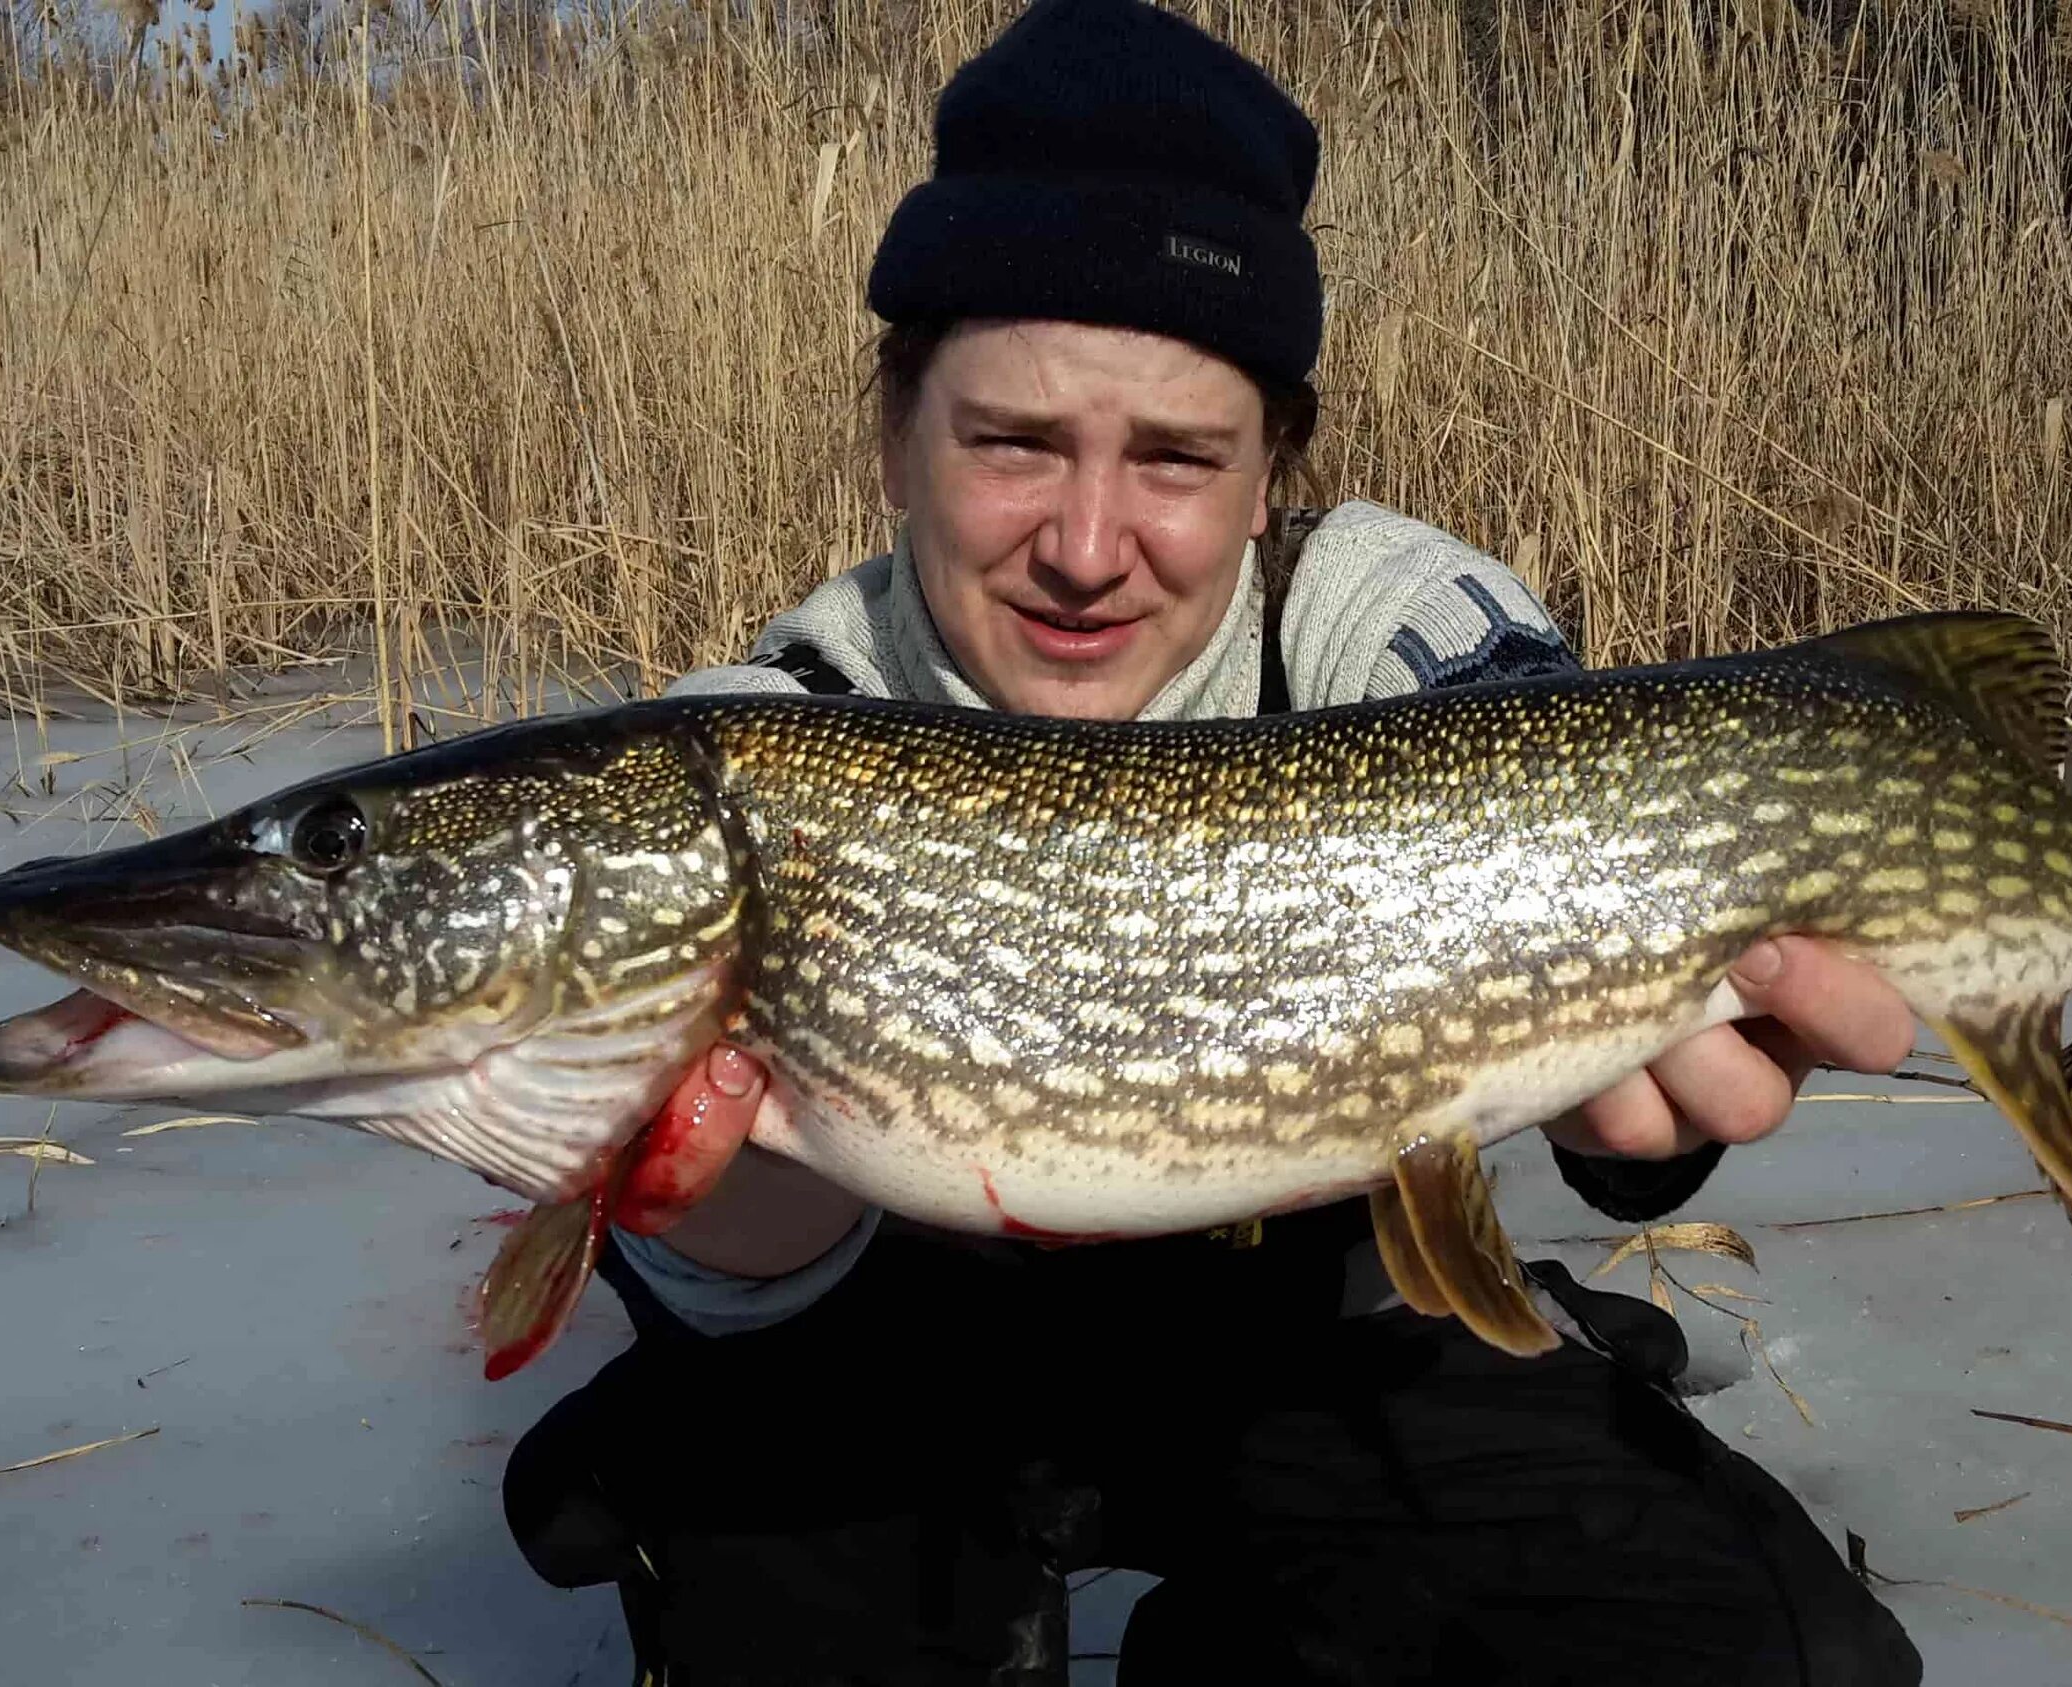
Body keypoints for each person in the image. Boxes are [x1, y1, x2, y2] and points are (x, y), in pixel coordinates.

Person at [504, 3, 1928, 1681]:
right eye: (1015, 442)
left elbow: (1594, 912)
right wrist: (712, 1200)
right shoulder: (763, 735)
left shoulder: (1391, 627)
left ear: (1271, 477)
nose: (1088, 547)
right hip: (899, 1372)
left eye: (1176, 459)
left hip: (1328, 1353)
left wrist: (1652, 1120)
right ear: (898, 433)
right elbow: (735, 1288)